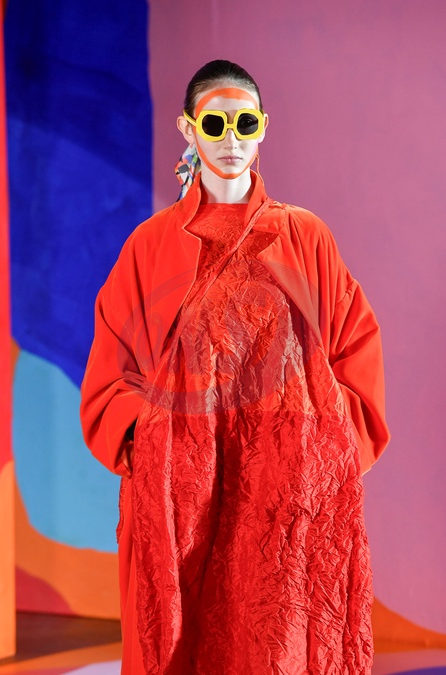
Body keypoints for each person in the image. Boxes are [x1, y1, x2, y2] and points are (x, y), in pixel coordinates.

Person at [80, 59, 390, 675]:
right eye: (214, 123)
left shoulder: (304, 236)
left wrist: (323, 452)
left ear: (263, 126)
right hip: (183, 499)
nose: (231, 139)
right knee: (184, 643)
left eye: (244, 123)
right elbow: (110, 373)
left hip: (281, 497)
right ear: (188, 128)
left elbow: (356, 346)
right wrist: (154, 439)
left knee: (277, 642)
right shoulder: (150, 245)